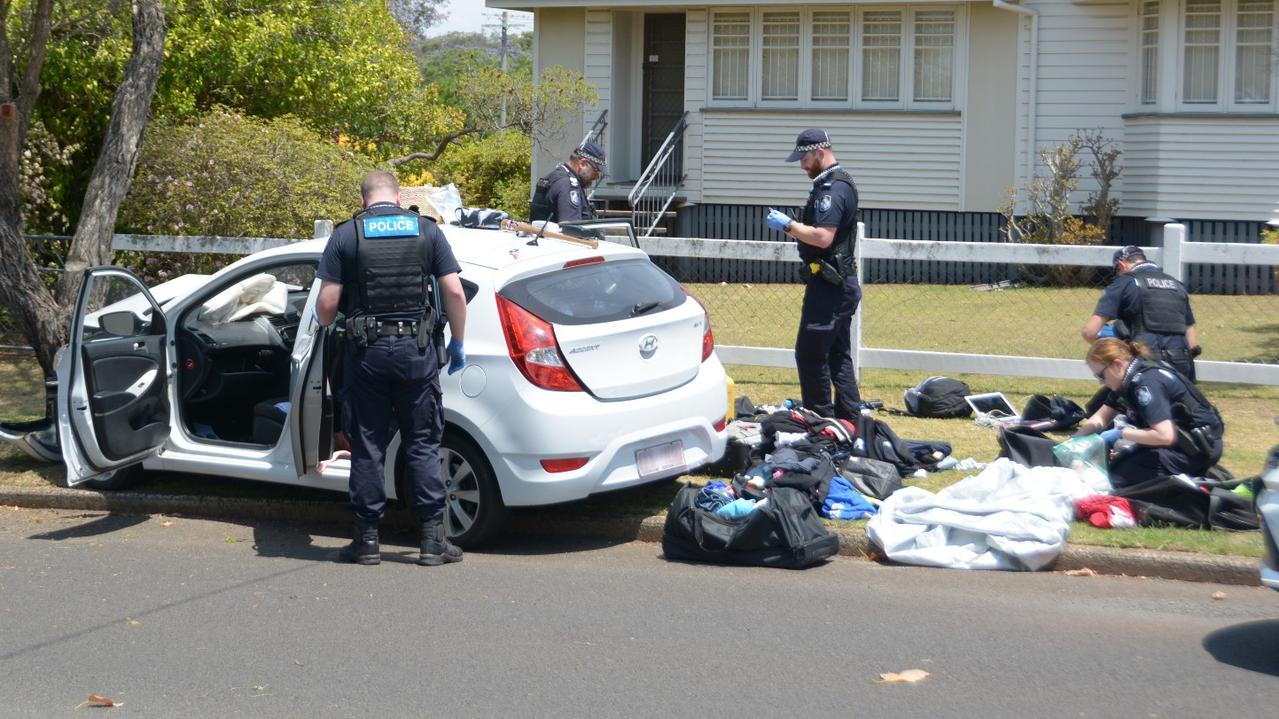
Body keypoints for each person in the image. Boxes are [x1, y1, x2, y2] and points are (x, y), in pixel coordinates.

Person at [315, 169, 469, 567]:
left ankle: (366, 541)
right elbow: (453, 291)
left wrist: (330, 322)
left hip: (366, 355)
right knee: (423, 443)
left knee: (368, 445)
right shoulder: (427, 231)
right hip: (417, 353)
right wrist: (459, 340)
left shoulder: (346, 234)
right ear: (398, 198)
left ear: (364, 198)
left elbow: (327, 307)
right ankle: (433, 540)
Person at [764, 128, 862, 420]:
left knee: (810, 354)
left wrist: (788, 225)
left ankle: (818, 421)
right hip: (837, 283)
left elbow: (822, 237)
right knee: (837, 355)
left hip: (831, 286)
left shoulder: (833, 189)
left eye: (804, 158)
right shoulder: (833, 183)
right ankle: (849, 421)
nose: (801, 165)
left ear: (819, 153)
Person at [1075, 337, 1223, 489]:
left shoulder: (1145, 383)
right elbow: (1101, 417)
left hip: (1195, 448)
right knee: (1117, 464)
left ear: (1118, 364)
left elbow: (1164, 436)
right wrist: (1073, 443)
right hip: (1185, 444)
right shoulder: (1127, 380)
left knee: (1116, 481)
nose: (1101, 382)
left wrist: (1123, 433)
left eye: (1101, 376)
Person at [1082, 245, 1200, 381]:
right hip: (1182, 367)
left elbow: (1089, 333)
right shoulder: (1177, 285)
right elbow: (1192, 343)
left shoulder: (1123, 283)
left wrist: (1115, 351)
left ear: (1121, 265)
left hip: (1144, 367)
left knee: (1105, 402)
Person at [529, 142, 606, 224]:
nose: (596, 177)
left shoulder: (555, 177)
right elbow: (569, 229)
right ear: (582, 164)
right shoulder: (568, 186)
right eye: (596, 171)